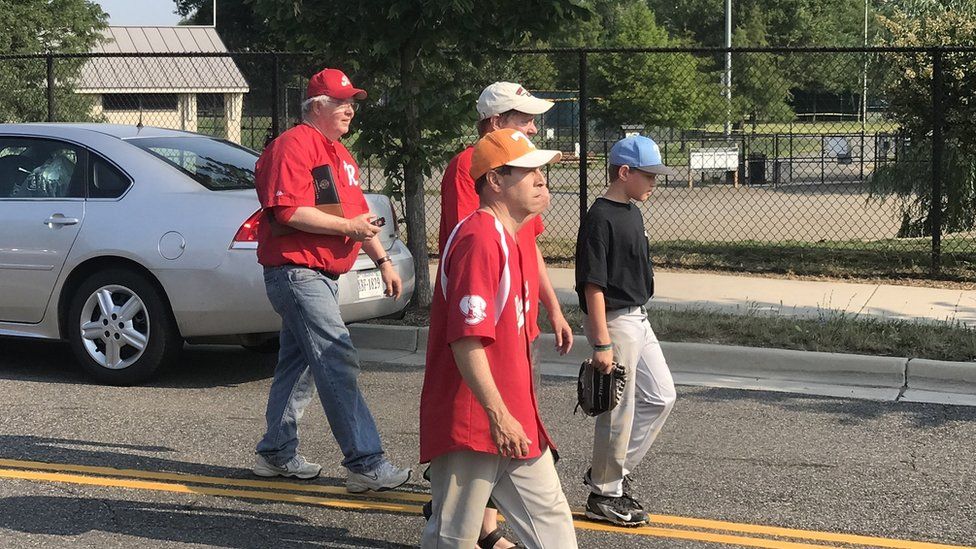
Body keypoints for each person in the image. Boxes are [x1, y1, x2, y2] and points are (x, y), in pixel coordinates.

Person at [250, 67, 411, 494]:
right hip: (297, 273)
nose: (350, 110)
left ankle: (276, 453)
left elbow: (356, 218)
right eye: (342, 102)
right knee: (337, 359)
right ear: (318, 106)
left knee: (299, 365)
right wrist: (354, 232)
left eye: (353, 102)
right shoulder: (293, 146)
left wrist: (382, 260)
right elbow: (286, 213)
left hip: (317, 276)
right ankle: (366, 462)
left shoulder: (340, 156)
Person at [420, 129, 578, 549]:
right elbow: (465, 341)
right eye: (528, 171)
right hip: (477, 422)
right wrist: (498, 414)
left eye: (541, 170)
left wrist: (512, 416)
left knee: (556, 534)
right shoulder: (480, 239)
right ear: (494, 180)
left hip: (517, 423)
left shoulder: (510, 237)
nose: (541, 179)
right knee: (452, 539)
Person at [574, 135, 678, 526]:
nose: (654, 182)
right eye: (649, 175)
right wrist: (601, 342)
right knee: (618, 411)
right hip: (616, 321)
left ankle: (607, 471)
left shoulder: (632, 211)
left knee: (662, 396)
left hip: (639, 317)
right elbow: (593, 285)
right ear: (624, 172)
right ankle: (605, 493)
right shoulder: (600, 218)